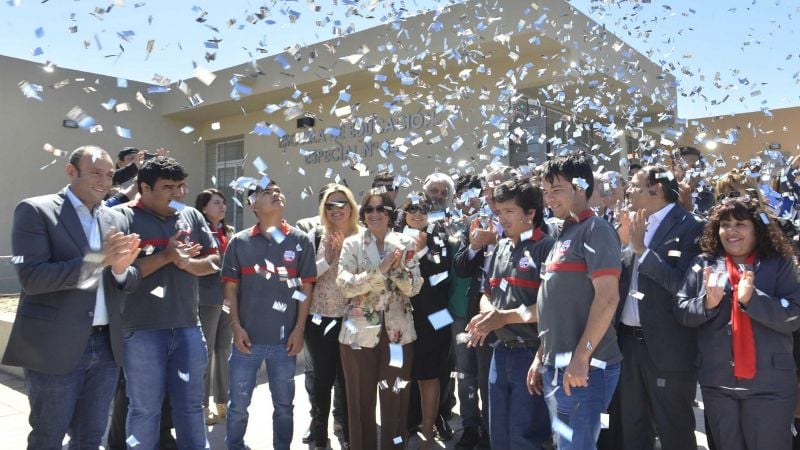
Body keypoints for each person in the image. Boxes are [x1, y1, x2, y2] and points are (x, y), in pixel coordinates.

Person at [2, 146, 141, 449]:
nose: (105, 181)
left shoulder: (115, 219)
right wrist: (100, 260)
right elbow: (33, 278)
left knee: (91, 439)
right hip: (54, 346)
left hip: (106, 348)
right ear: (70, 171)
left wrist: (119, 271)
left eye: (109, 175)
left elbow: (128, 279)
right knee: (48, 438)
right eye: (95, 173)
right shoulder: (36, 210)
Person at [675, 197, 800, 450]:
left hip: (770, 387)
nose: (731, 231)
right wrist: (706, 304)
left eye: (740, 224)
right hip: (719, 385)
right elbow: (682, 311)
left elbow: (794, 316)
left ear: (757, 228)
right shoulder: (703, 263)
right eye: (725, 224)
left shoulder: (780, 263)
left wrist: (752, 299)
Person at [115, 156, 219, 449]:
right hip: (141, 331)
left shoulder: (191, 216)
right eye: (168, 187)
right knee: (144, 410)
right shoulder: (121, 218)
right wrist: (166, 257)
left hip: (188, 327)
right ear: (144, 188)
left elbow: (213, 262)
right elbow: (119, 276)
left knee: (190, 408)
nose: (177, 194)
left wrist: (186, 263)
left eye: (180, 186)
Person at [529, 154, 623, 449]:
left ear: (581, 187)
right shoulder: (562, 233)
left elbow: (608, 299)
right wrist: (540, 355)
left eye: (556, 190)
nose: (549, 199)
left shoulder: (597, 230)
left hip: (587, 368)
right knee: (565, 443)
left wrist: (581, 358)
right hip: (557, 366)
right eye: (545, 192)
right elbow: (556, 304)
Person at [221, 180, 316, 450]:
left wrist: (299, 329)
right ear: (252, 205)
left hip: (284, 343)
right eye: (267, 193)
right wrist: (235, 326)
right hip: (245, 342)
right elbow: (230, 287)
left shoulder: (299, 241)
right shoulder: (239, 242)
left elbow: (305, 287)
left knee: (284, 406)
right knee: (238, 405)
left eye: (277, 190)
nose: (276, 194)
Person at [615, 166, 705, 449]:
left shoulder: (691, 226)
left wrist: (642, 250)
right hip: (628, 343)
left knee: (673, 427)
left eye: (635, 186)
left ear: (657, 191)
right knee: (633, 425)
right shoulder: (633, 222)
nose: (628, 191)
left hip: (668, 347)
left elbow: (683, 284)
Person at [466, 179, 554, 449]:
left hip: (532, 353)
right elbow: (487, 293)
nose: (502, 218)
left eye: (510, 211)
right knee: (499, 435)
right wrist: (488, 314)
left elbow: (550, 308)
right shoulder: (500, 247)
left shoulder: (548, 248)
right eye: (500, 211)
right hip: (500, 351)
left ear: (530, 213)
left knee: (524, 437)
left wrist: (503, 317)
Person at [336, 189, 423, 450]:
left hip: (398, 335)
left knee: (395, 397)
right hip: (358, 335)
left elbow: (415, 286)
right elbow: (345, 285)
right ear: (363, 214)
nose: (375, 214)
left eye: (381, 209)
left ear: (390, 214)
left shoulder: (405, 243)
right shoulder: (352, 243)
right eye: (369, 209)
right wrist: (379, 270)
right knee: (360, 400)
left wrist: (394, 270)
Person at [453, 165, 516, 450]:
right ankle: (473, 428)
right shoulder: (477, 220)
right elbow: (462, 267)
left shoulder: (522, 218)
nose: (491, 192)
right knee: (473, 376)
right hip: (476, 311)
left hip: (510, 315)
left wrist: (498, 240)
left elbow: (530, 250)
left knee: (497, 382)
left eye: (498, 185)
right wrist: (475, 247)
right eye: (488, 187)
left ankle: (496, 435)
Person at [305, 184, 360, 449]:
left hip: (352, 319)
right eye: (330, 205)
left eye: (341, 204)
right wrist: (328, 258)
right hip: (319, 318)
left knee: (348, 379)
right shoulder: (316, 236)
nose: (336, 209)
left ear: (351, 206)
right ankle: (319, 433)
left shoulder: (363, 237)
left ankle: (349, 433)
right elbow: (305, 278)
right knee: (322, 378)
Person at [400, 193, 453, 449]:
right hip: (403, 316)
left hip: (436, 316)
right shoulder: (394, 238)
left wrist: (421, 250)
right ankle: (407, 422)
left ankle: (430, 427)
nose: (417, 214)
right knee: (403, 372)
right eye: (412, 209)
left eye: (423, 209)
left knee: (432, 373)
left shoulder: (440, 236)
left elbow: (441, 275)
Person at [195, 188, 235, 424]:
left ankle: (223, 401)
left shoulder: (229, 231)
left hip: (228, 299)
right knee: (206, 351)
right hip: (207, 298)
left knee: (224, 350)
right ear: (203, 207)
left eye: (224, 203)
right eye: (216, 203)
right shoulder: (198, 231)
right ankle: (202, 406)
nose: (222, 206)